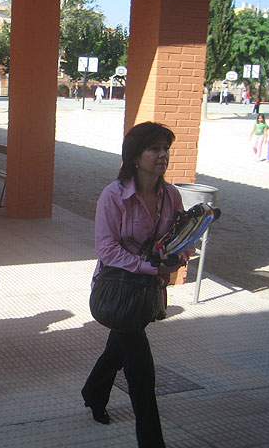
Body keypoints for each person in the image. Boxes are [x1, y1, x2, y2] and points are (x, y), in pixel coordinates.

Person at [81, 122, 193, 448]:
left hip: (147, 291)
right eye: (154, 149)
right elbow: (108, 249)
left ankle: (93, 392)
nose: (163, 156)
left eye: (165, 149)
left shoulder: (171, 194)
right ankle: (151, 441)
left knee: (119, 345)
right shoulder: (113, 195)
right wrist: (149, 267)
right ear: (135, 156)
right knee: (141, 369)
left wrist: (180, 258)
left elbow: (183, 236)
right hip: (119, 285)